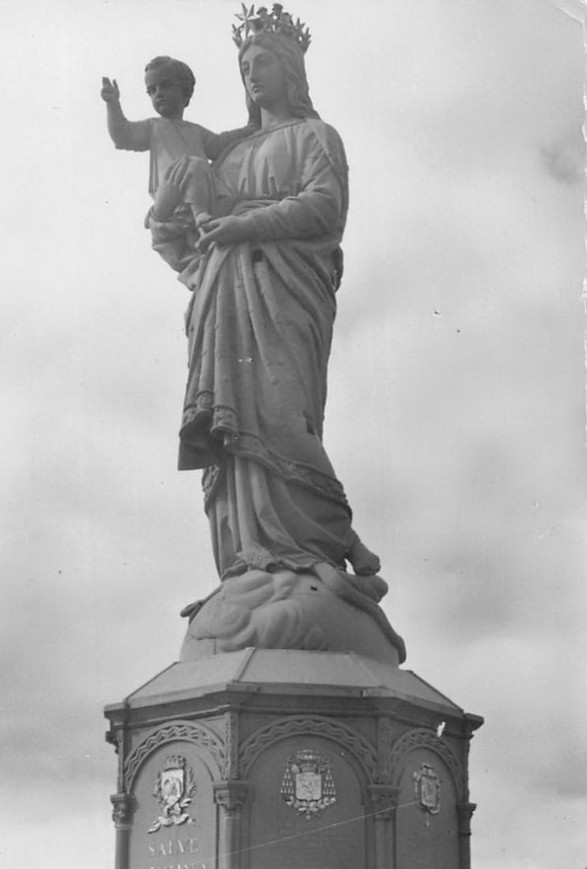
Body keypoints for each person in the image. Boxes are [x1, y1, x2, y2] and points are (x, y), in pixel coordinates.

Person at [170, 9, 382, 592]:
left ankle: (330, 540)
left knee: (282, 413)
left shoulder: (316, 136)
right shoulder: (229, 155)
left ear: (291, 70)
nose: (251, 74)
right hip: (226, 297)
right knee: (235, 428)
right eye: (243, 66)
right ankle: (253, 556)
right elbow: (188, 228)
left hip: (286, 289)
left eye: (262, 61)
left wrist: (241, 227)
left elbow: (323, 206)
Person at [101, 58, 254, 276]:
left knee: (199, 166)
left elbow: (220, 144)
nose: (158, 94)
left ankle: (201, 215)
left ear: (184, 91)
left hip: (202, 193)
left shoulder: (195, 131)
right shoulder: (153, 127)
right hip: (174, 200)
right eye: (151, 90)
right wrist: (113, 104)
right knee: (193, 163)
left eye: (165, 85)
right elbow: (122, 136)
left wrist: (250, 129)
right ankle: (199, 214)